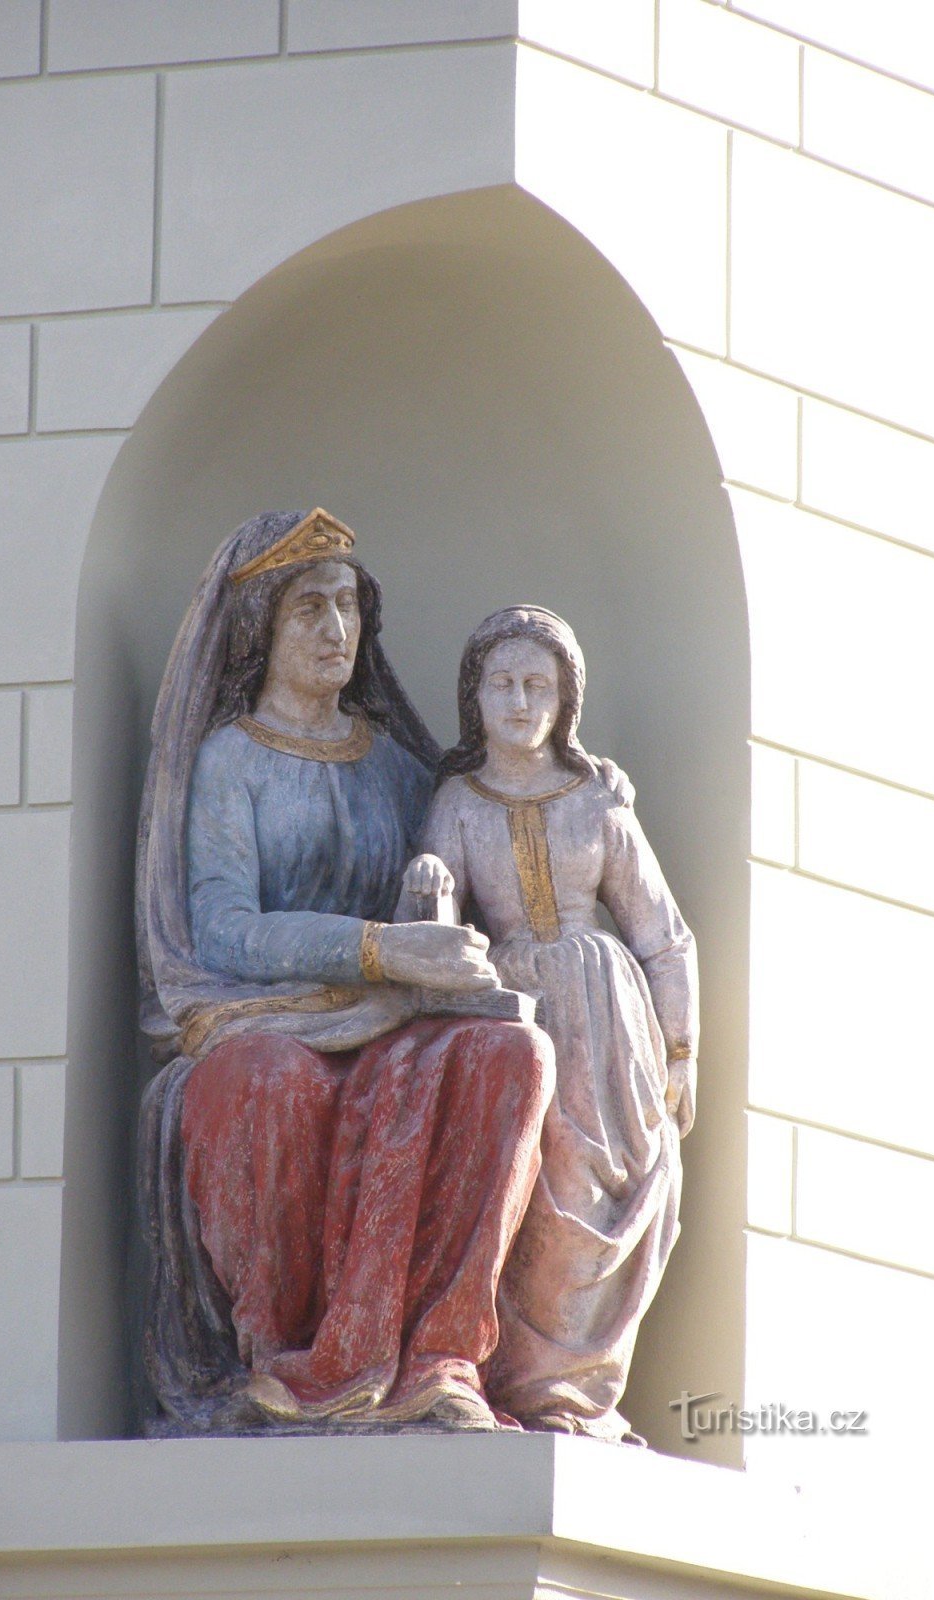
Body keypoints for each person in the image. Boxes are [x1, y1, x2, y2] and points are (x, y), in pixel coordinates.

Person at [135, 509, 557, 1434]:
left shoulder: (402, 771)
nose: (337, 630)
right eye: (309, 610)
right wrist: (376, 947)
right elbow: (225, 929)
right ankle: (290, 1366)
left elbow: (455, 887)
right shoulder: (230, 761)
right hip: (269, 1022)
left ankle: (441, 1357)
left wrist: (431, 903)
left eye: (348, 607)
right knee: (267, 1085)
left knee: (512, 1059)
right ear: (262, 631)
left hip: (395, 1021)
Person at [407, 606, 698, 1442]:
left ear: (565, 699)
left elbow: (662, 935)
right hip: (513, 1010)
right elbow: (436, 918)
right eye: (501, 683)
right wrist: (427, 880)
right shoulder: (457, 802)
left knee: (600, 1191)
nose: (518, 699)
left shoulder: (598, 802)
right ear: (475, 698)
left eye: (537, 684)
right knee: (531, 1190)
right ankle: (513, 1385)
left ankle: (576, 1396)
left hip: (607, 1022)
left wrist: (680, 1051)